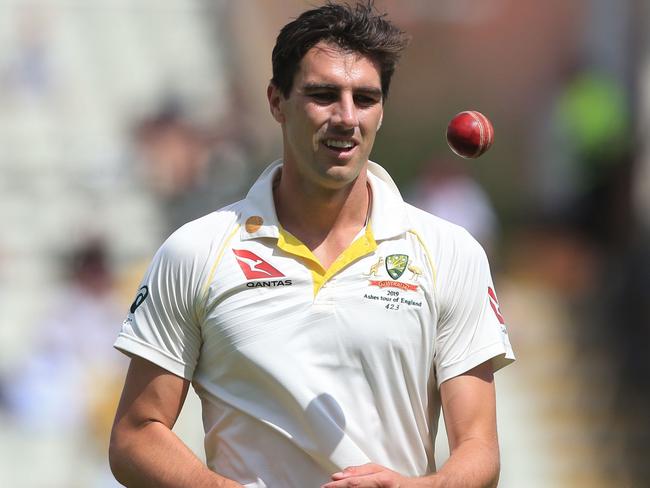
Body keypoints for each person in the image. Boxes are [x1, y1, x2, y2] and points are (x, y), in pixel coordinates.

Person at [109, 2, 515, 487]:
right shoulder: (196, 250)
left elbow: (480, 450)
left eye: (365, 99)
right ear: (277, 101)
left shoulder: (450, 252)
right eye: (324, 95)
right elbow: (135, 436)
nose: (346, 117)